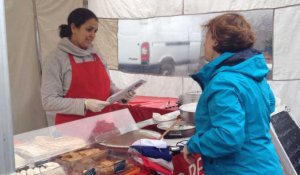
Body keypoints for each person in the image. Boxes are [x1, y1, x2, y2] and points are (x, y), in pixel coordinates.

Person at [182, 13, 283, 174]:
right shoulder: (252, 72)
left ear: (215, 40)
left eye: (206, 37)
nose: (204, 44)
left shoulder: (224, 81)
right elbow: (269, 104)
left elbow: (228, 136)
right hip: (266, 164)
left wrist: (193, 144)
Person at [41, 8, 133, 125]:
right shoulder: (56, 59)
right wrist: (85, 104)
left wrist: (120, 94)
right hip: (73, 129)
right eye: (89, 30)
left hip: (104, 124)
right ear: (74, 28)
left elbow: (108, 86)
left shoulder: (96, 54)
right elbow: (48, 101)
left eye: (95, 31)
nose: (93, 35)